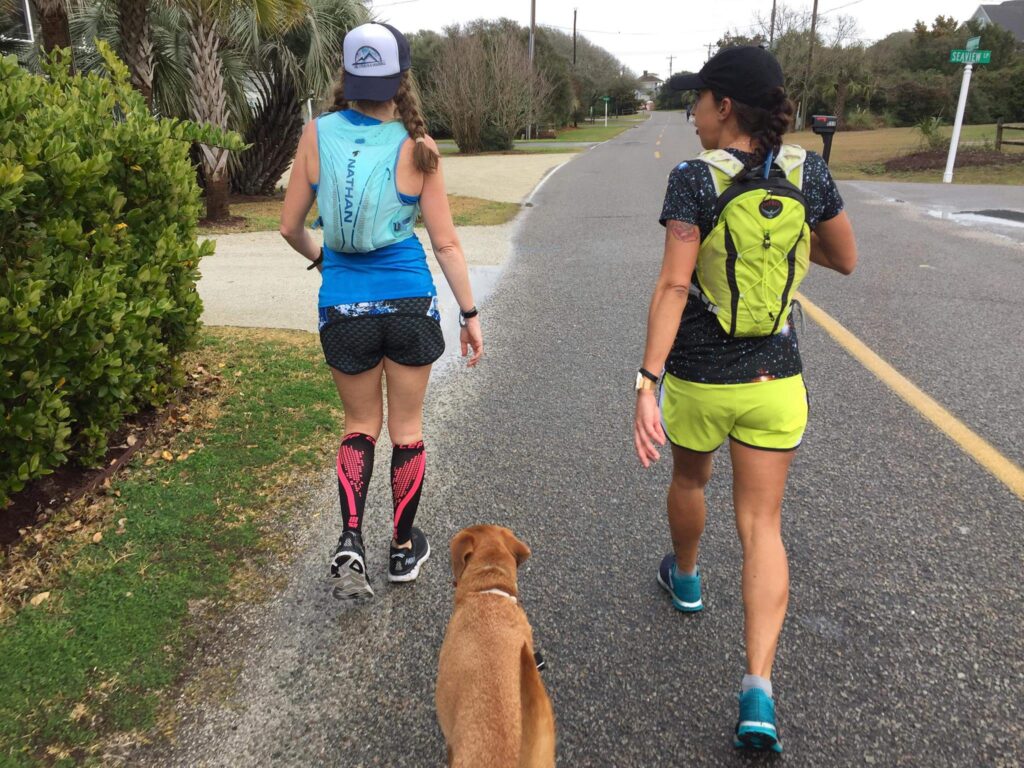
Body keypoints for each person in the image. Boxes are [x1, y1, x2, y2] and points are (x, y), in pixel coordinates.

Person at [633, 46, 857, 752]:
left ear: (724, 105)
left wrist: (647, 380)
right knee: (763, 525)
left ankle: (689, 578)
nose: (693, 113)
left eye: (698, 100)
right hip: (775, 382)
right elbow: (844, 256)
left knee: (690, 478)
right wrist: (783, 247)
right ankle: (758, 687)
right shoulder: (807, 172)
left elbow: (674, 285)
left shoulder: (693, 179)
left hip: (701, 378)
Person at [280, 22, 483, 600]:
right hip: (410, 301)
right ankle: (401, 548)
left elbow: (289, 226)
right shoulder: (419, 147)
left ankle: (350, 539)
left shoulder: (316, 133)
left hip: (344, 306)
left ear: (346, 77)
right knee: (408, 429)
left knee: (358, 426)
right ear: (401, 80)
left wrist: (326, 262)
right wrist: (469, 313)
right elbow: (445, 244)